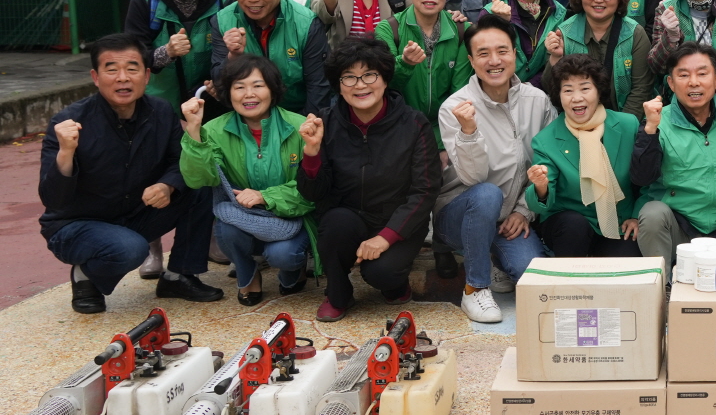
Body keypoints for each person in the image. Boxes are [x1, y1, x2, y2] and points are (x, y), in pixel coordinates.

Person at [40, 35, 219, 312]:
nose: (123, 78)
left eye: (132, 69)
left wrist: (168, 185)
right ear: (95, 77)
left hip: (134, 214)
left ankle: (179, 276)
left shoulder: (160, 111)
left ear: (146, 75)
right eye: (111, 69)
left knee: (199, 182)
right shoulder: (69, 122)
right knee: (130, 248)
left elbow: (179, 161)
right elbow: (53, 199)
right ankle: (85, 275)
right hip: (76, 226)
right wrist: (65, 152)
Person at [296, 37, 440, 322]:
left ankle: (396, 283)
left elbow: (425, 190)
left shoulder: (414, 124)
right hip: (347, 216)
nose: (360, 85)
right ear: (338, 85)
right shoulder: (324, 123)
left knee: (382, 273)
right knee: (335, 223)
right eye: (349, 77)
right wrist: (311, 153)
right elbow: (312, 193)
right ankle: (338, 293)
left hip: (396, 221)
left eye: (369, 75)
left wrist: (385, 238)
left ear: (385, 79)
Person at [435, 17, 553, 323]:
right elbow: (473, 179)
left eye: (502, 51)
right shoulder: (455, 107)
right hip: (459, 215)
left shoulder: (537, 101)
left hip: (509, 216)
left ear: (515, 54)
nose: (494, 60)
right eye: (483, 53)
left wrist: (525, 211)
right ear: (472, 61)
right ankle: (475, 287)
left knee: (530, 273)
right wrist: (469, 132)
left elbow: (547, 163)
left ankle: (493, 259)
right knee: (486, 193)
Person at [178, 54, 315, 306]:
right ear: (228, 94)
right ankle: (246, 273)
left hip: (291, 216)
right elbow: (199, 179)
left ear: (273, 90)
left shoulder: (300, 126)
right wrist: (195, 131)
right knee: (226, 229)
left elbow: (313, 188)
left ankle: (293, 271)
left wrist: (266, 196)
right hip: (243, 217)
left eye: (257, 85)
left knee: (283, 254)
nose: (248, 94)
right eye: (239, 87)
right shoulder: (215, 130)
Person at [630, 42, 716, 276]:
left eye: (702, 74)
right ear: (671, 84)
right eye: (684, 75)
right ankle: (661, 287)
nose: (694, 82)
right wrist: (651, 129)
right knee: (652, 213)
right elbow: (641, 177)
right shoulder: (657, 120)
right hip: (678, 227)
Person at [525, 53, 642, 258]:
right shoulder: (546, 139)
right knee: (574, 225)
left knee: (622, 268)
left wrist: (635, 216)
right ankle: (569, 287)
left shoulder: (627, 125)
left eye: (585, 88)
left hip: (619, 221)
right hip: (570, 226)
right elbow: (539, 205)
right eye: (568, 90)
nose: (577, 98)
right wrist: (541, 186)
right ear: (559, 96)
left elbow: (645, 182)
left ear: (598, 91)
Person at [214, 0, 332, 117]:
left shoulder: (306, 24)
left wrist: (302, 130)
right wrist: (233, 57)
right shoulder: (222, 21)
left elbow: (318, 89)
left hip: (297, 116)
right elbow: (218, 84)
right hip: (244, 119)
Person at [376, 0, 469, 144]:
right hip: (398, 132)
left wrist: (441, 143)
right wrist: (405, 64)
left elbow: (459, 94)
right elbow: (384, 86)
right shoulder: (388, 29)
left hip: (446, 132)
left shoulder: (462, 31)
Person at [125, 0, 226, 111]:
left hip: (209, 106)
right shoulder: (145, 1)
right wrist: (167, 52)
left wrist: (220, 81)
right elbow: (132, 60)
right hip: (157, 108)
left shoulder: (224, 3)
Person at [548, 0, 652, 119]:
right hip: (577, 122)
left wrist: (621, 128)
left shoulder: (634, 33)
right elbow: (553, 89)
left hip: (625, 122)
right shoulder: (564, 33)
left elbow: (641, 89)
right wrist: (555, 57)